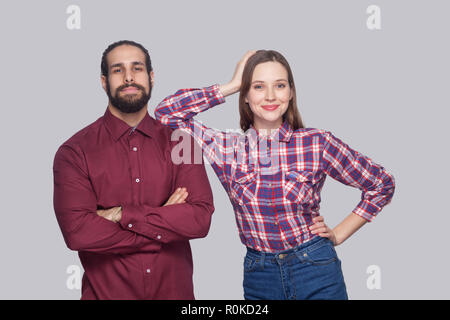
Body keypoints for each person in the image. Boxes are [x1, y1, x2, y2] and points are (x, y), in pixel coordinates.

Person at [155, 50, 395, 300]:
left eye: (279, 86)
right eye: (258, 86)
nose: (270, 96)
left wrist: (339, 233)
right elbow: (166, 113)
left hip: (316, 268)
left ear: (291, 92)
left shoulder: (316, 143)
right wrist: (232, 85)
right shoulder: (226, 148)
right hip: (260, 276)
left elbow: (381, 183)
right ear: (246, 95)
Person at [53, 40, 214, 300]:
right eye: (118, 70)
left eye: (137, 68)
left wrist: (119, 214)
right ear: (104, 81)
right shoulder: (74, 152)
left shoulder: (182, 143)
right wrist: (164, 222)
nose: (129, 77)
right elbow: (77, 233)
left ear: (151, 77)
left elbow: (199, 220)